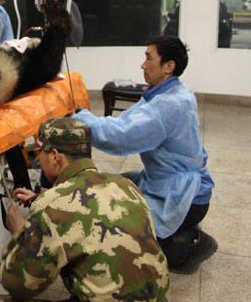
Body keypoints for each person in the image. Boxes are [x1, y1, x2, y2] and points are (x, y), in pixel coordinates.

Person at [0, 118, 172, 302]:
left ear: (55, 156)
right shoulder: (125, 185)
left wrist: (19, 234)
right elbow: (89, 200)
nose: (39, 159)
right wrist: (42, 198)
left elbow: (19, 283)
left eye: (40, 153)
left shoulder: (53, 206)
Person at [73, 35, 217, 274]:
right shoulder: (171, 93)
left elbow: (121, 138)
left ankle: (187, 243)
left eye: (149, 58)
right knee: (113, 188)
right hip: (168, 181)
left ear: (169, 66)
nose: (143, 65)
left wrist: (81, 119)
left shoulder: (169, 105)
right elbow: (126, 122)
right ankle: (178, 230)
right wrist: (88, 117)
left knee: (122, 236)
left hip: (185, 196)